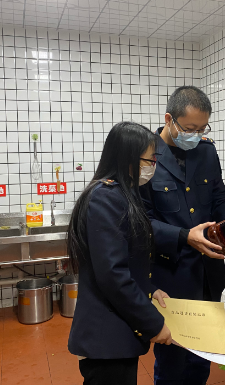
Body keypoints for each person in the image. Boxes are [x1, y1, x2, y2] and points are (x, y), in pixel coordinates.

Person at [140, 86, 225, 385]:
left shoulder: (206, 152)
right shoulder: (146, 156)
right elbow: (142, 222)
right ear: (169, 119)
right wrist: (184, 236)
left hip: (207, 274)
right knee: (172, 360)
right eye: (189, 128)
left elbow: (219, 196)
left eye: (202, 128)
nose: (195, 135)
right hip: (171, 276)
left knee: (201, 358)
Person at [67, 122, 172, 385]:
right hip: (106, 338)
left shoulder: (124, 194)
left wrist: (150, 290)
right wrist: (154, 323)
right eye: (149, 160)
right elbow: (113, 274)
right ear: (128, 158)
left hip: (118, 331)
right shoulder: (106, 197)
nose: (153, 166)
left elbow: (128, 259)